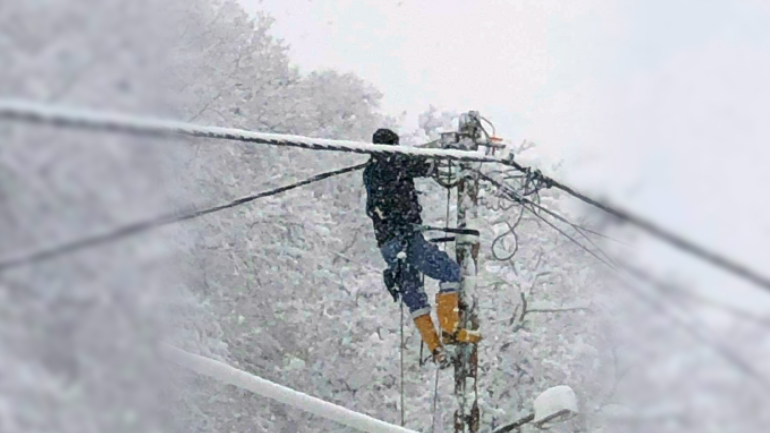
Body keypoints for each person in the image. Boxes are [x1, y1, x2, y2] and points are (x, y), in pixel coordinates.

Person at [363, 128, 481, 367]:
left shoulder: (371, 171)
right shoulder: (394, 162)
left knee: (413, 294)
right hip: (405, 237)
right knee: (449, 272)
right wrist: (444, 154)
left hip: (387, 243)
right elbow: (422, 166)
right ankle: (450, 331)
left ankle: (437, 350)